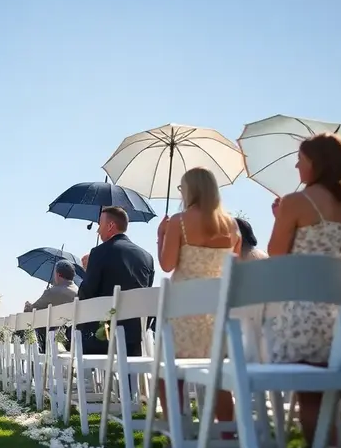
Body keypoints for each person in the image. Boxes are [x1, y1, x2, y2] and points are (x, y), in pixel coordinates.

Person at [267, 132, 341, 444]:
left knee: (311, 392)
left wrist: (282, 218)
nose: (296, 166)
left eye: (301, 160)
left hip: (306, 313)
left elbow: (277, 256)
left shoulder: (297, 202)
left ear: (317, 163)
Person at [157, 167, 240, 425]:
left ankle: (176, 436)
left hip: (184, 312)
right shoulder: (232, 225)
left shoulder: (179, 222)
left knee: (167, 374)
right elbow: (233, 267)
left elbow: (167, 264)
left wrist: (161, 236)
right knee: (218, 375)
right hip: (216, 314)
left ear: (190, 190)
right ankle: (228, 433)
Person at [77, 206, 155, 356]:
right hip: (135, 339)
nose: (98, 230)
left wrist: (88, 271)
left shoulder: (98, 253)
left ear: (110, 225)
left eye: (100, 224)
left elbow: (86, 294)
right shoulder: (147, 257)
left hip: (105, 336)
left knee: (76, 339)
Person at [23, 259, 79, 352]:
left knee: (41, 323)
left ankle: (43, 352)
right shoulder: (77, 290)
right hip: (72, 338)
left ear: (58, 275)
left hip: (52, 342)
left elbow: (31, 312)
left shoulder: (52, 292)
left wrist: (27, 306)